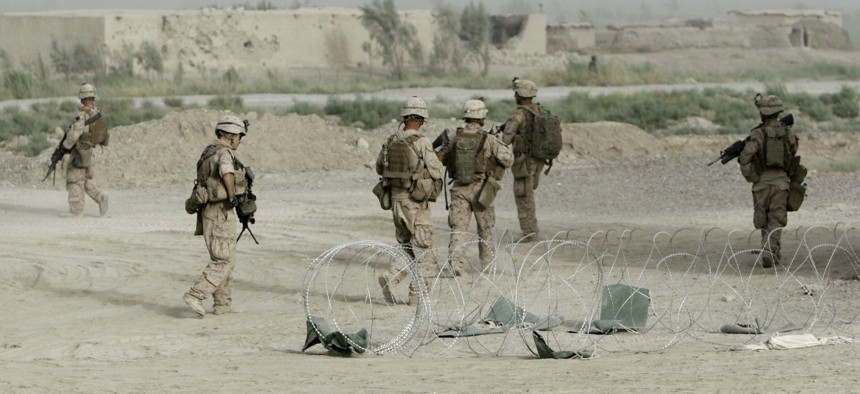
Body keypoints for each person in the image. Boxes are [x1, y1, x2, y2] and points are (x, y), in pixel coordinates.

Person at [376, 96, 443, 305]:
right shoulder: (421, 142)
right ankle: (419, 298)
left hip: (395, 202)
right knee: (426, 252)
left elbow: (380, 167)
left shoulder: (390, 140)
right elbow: (436, 170)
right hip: (414, 204)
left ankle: (392, 276)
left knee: (407, 246)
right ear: (421, 119)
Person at [183, 114, 251, 316]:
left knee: (225, 257)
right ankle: (195, 295)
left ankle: (222, 305)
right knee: (223, 260)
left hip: (209, 211)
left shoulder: (208, 152)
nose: (240, 140)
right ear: (231, 136)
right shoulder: (224, 153)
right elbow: (227, 172)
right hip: (220, 210)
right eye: (240, 136)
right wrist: (232, 196)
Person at [438, 99, 513, 276]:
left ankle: (456, 263)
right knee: (485, 228)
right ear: (481, 117)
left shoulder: (456, 138)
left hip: (459, 189)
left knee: (458, 229)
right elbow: (507, 159)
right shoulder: (489, 139)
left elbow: (441, 159)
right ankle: (487, 264)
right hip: (482, 189)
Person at [738, 94, 799, 268]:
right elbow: (793, 151)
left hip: (761, 183)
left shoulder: (757, 133)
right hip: (781, 182)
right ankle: (771, 250)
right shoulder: (788, 131)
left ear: (762, 113)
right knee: (776, 218)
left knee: (763, 219)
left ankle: (769, 250)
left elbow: (745, 157)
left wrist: (751, 176)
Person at [502, 77, 547, 241]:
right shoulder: (540, 111)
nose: (514, 96)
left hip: (524, 162)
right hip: (539, 160)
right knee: (528, 194)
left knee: (523, 195)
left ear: (520, 95)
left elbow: (506, 139)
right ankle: (532, 229)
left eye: (516, 93)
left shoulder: (518, 115)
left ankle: (529, 233)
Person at [58, 83, 110, 217]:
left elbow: (75, 134)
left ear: (82, 98)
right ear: (93, 97)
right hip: (89, 151)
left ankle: (76, 211)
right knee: (86, 180)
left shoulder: (82, 114)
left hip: (79, 152)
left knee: (74, 180)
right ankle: (100, 197)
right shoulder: (96, 113)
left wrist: (64, 148)